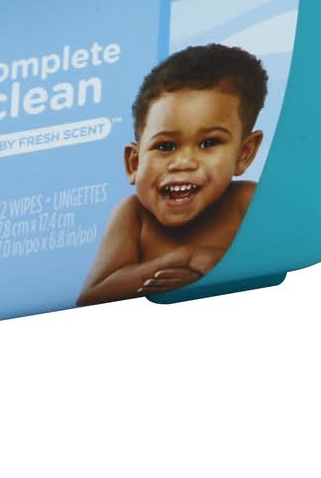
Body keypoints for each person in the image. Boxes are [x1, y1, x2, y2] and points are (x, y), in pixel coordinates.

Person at [77, 44, 267, 306]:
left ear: (244, 153)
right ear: (134, 163)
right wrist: (185, 258)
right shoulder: (134, 215)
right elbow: (92, 296)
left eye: (208, 143)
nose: (184, 163)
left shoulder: (246, 202)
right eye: (166, 146)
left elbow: (277, 258)